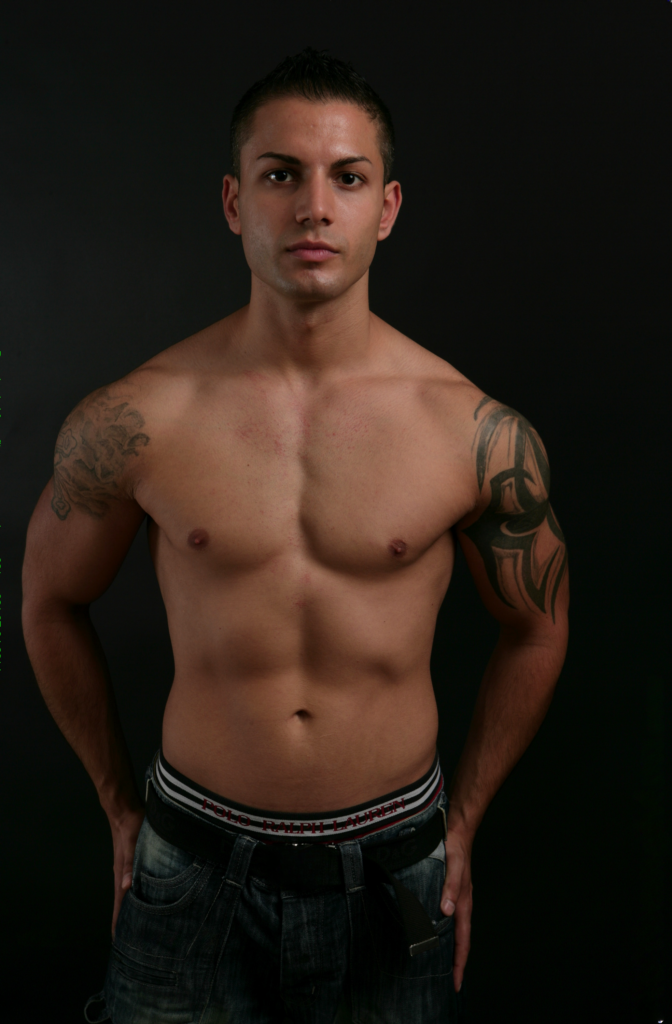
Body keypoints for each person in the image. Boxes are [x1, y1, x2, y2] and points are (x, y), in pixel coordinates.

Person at [21, 47, 569, 1024]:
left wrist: (465, 824)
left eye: (346, 178)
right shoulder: (139, 419)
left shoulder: (472, 433)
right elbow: (48, 601)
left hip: (400, 875)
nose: (315, 207)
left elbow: (539, 626)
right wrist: (116, 804)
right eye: (281, 175)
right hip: (188, 865)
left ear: (386, 208)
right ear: (235, 202)